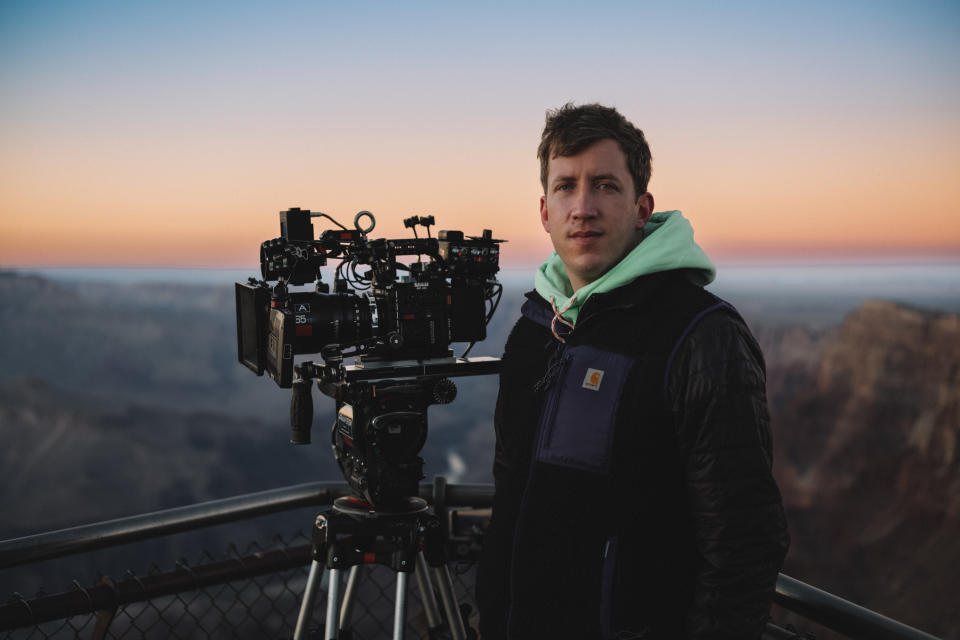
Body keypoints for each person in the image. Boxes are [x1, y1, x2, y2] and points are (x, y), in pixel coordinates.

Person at [476, 103, 789, 639]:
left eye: (605, 186)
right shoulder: (534, 327)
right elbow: (510, 494)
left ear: (642, 208)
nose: (583, 207)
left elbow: (744, 540)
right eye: (566, 187)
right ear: (545, 212)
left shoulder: (701, 335)